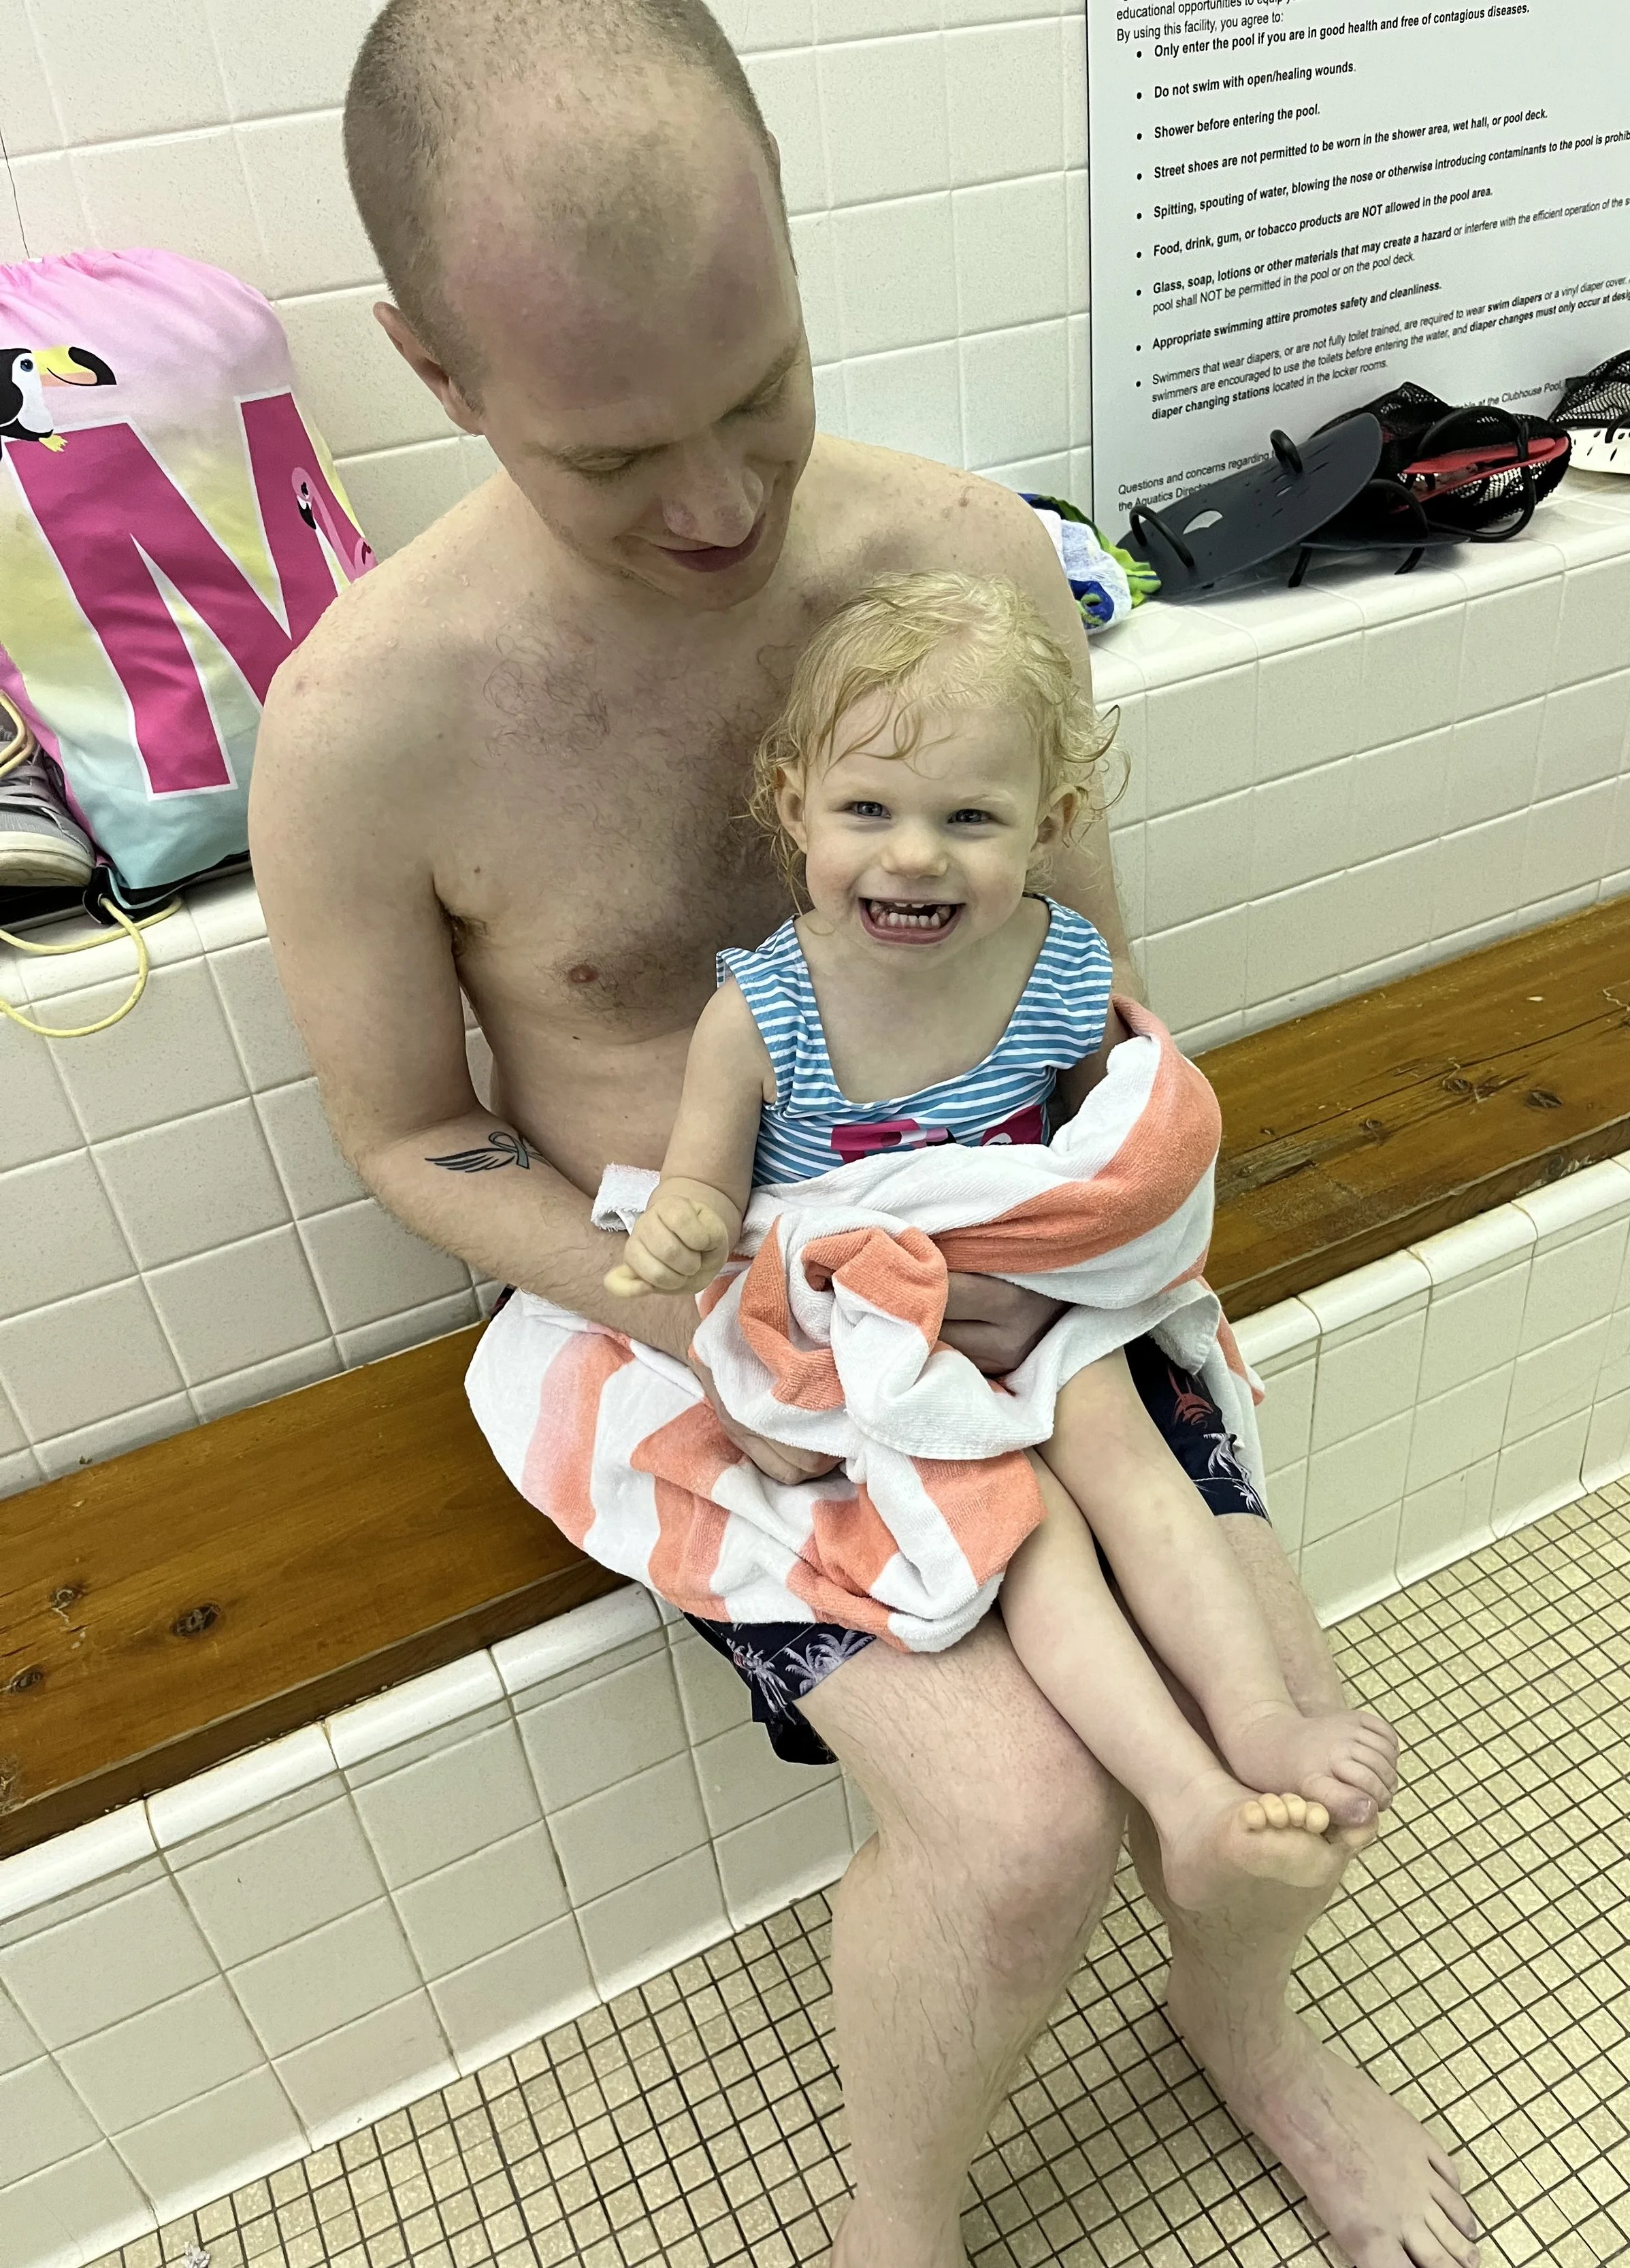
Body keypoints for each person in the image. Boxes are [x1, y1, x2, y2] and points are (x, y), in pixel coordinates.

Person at [249, 4, 1481, 2264]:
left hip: (1025, 1255)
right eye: (614, 454)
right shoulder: (365, 731)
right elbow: (417, 1138)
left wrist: (1071, 1230)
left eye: (760, 391)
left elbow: (1103, 977)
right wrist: (729, 1303)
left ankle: (1251, 2032)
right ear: (442, 374)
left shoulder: (963, 560)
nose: (717, 507)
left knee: (1289, 1718)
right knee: (1013, 1829)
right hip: (716, 1330)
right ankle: (891, 2239)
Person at [607, 568, 1402, 1909]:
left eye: (968, 817)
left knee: (1134, 1470)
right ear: (794, 806)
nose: (913, 855)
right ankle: (1186, 1794)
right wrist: (685, 1231)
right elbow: (702, 1189)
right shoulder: (760, 1015)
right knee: (1021, 1527)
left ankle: (1255, 1723)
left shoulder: (1059, 971)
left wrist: (1090, 1241)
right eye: (866, 810)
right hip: (875, 1333)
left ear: (1053, 822)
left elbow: (1115, 1139)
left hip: (1032, 1304)